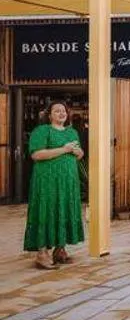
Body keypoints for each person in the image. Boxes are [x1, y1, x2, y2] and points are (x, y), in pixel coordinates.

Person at [24, 101, 85, 269]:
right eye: (57, 111)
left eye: (63, 110)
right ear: (49, 115)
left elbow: (79, 154)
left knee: (64, 209)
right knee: (46, 210)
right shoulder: (42, 131)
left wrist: (78, 152)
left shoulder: (72, 132)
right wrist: (64, 149)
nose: (61, 113)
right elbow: (36, 155)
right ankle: (42, 254)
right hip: (47, 181)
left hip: (68, 182)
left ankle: (60, 249)